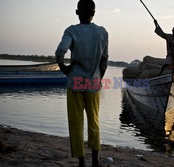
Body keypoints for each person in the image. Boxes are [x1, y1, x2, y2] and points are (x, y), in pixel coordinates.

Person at [55, 0, 109, 166]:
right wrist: (98, 78)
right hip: (93, 83)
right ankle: (95, 160)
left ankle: (81, 162)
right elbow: (104, 59)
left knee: (76, 122)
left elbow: (60, 51)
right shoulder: (102, 32)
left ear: (77, 12)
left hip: (75, 81)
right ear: (94, 13)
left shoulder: (71, 31)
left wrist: (63, 67)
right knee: (94, 121)